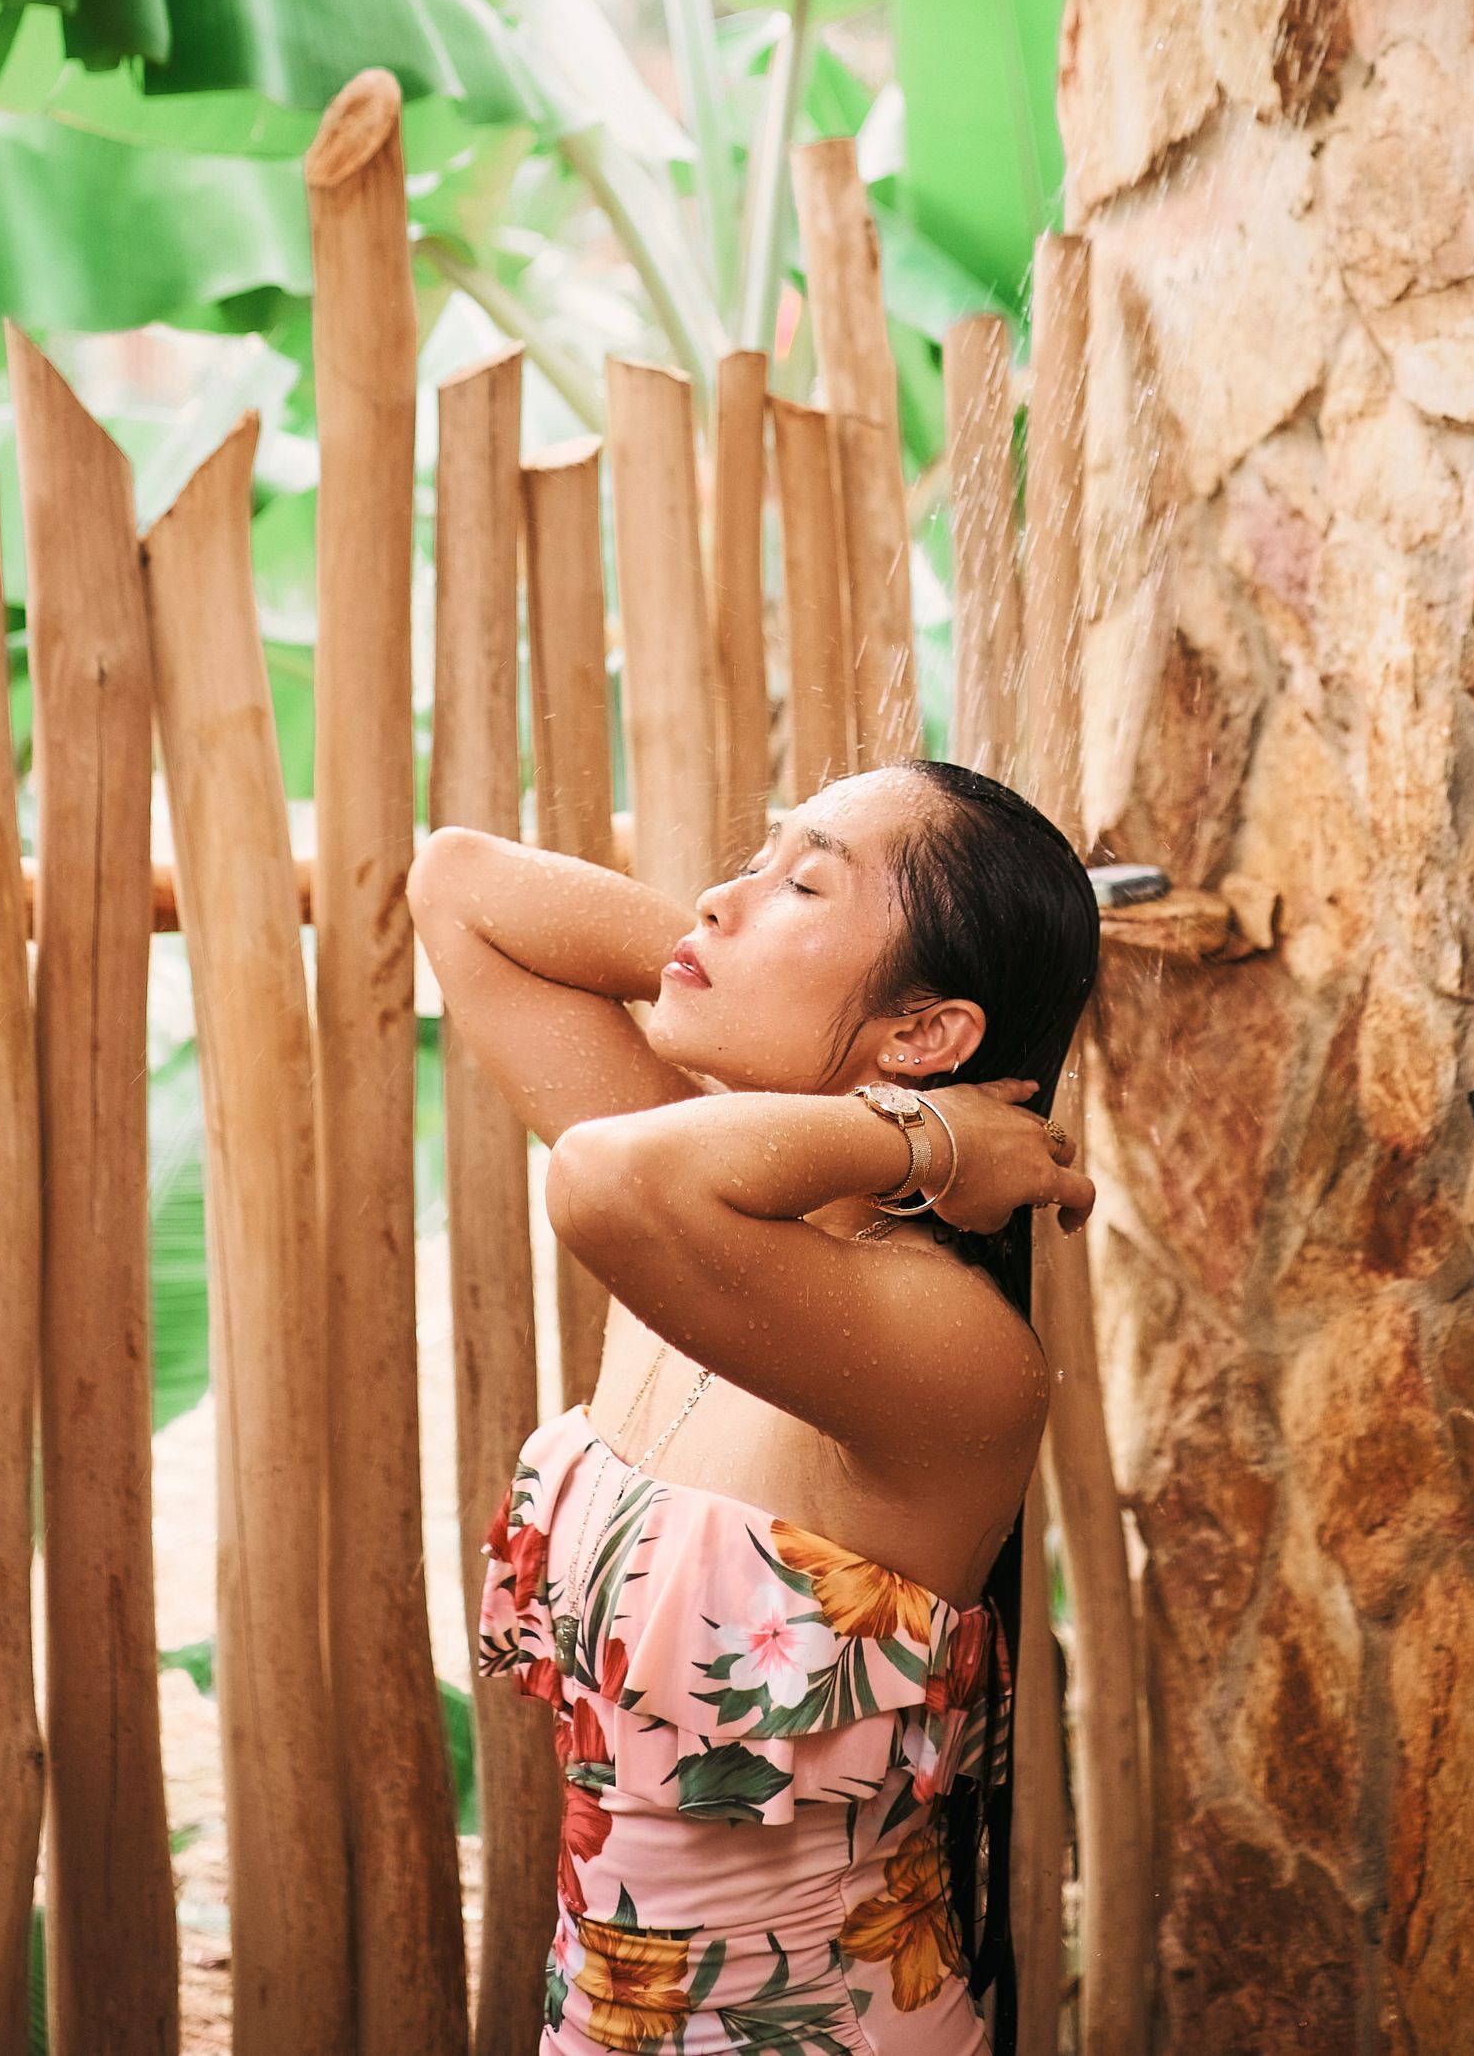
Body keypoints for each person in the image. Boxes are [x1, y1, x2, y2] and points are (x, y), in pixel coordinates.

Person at [408, 758, 1099, 2056]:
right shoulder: (718, 1235)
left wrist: (916, 1131)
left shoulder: (942, 1340)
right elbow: (461, 883)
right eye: (757, 860)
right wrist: (773, 979)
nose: (719, 900)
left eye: (801, 884)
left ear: (928, 1035)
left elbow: (606, 1184)